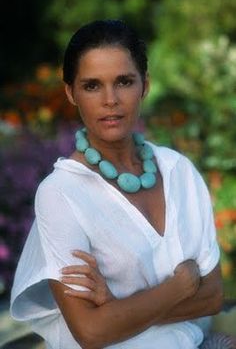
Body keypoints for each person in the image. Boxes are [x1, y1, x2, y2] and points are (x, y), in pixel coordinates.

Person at [10, 20, 226, 349]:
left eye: (124, 81)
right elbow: (92, 333)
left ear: (145, 86)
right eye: (92, 85)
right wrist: (178, 287)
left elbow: (211, 297)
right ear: (71, 92)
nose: (110, 99)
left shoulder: (178, 170)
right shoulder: (59, 193)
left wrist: (115, 310)